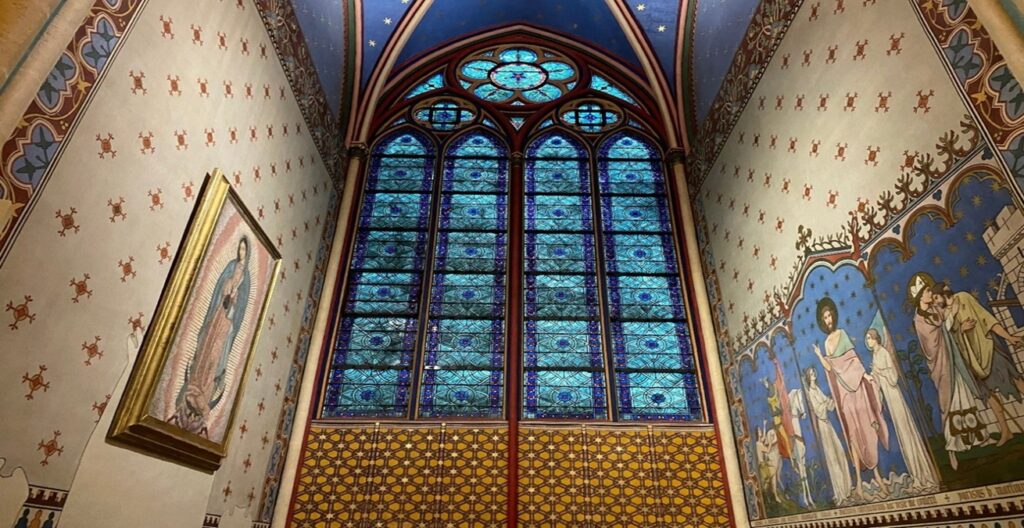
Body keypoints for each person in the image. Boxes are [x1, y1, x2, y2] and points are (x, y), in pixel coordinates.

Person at [171, 236, 252, 436]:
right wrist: (226, 288)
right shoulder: (231, 267)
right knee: (204, 352)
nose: (241, 253)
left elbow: (241, 307)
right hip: (217, 316)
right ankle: (193, 389)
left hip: (228, 322)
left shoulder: (247, 277)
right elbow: (219, 290)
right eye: (239, 249)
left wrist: (234, 300)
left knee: (215, 358)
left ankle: (204, 394)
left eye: (244, 250)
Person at [907, 273, 987, 470]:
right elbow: (932, 342)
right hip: (941, 365)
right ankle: (952, 449)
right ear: (919, 296)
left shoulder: (935, 308)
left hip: (953, 360)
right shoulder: (918, 319)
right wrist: (951, 317)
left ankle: (976, 439)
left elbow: (948, 327)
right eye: (926, 291)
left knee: (964, 396)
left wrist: (958, 323)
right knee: (948, 405)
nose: (929, 293)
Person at [812, 297, 889, 497]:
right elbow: (832, 368)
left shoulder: (842, 334)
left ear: (834, 316)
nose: (828, 320)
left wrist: (865, 376)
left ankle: (877, 476)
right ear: (822, 321)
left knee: (868, 430)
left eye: (830, 315)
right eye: (825, 317)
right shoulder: (827, 342)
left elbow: (853, 359)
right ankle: (859, 483)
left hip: (857, 390)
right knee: (853, 435)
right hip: (845, 394)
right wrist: (820, 356)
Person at [936, 285, 1024, 446]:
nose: (934, 303)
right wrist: (960, 329)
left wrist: (1009, 337)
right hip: (972, 362)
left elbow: (987, 319)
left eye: (936, 298)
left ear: (943, 294)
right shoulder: (944, 316)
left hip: (988, 348)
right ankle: (1006, 431)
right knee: (989, 396)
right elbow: (949, 345)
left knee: (1016, 379)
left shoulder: (963, 297)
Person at [865, 328, 938, 490]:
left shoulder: (883, 352)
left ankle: (924, 476)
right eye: (866, 339)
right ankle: (916, 475)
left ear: (876, 338)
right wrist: (868, 376)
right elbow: (875, 381)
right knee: (901, 434)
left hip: (895, 396)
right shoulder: (875, 355)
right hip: (889, 400)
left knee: (907, 432)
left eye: (869, 338)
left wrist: (879, 372)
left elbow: (893, 377)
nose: (867, 341)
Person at [805, 367, 853, 506]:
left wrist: (831, 399)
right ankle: (840, 493)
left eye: (814, 372)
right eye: (811, 373)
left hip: (828, 424)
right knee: (832, 457)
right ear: (808, 377)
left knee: (839, 452)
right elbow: (818, 410)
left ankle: (847, 488)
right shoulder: (810, 392)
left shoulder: (817, 388)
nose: (814, 375)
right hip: (823, 425)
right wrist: (825, 403)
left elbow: (829, 406)